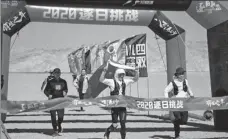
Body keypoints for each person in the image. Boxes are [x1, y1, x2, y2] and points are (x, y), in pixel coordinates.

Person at [100, 61, 139, 139]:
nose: (122, 76)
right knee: (114, 125)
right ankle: (108, 131)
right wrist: (104, 71)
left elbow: (135, 79)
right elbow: (101, 80)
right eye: (120, 75)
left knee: (123, 123)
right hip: (114, 106)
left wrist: (137, 72)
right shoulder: (111, 82)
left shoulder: (125, 82)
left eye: (123, 75)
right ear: (117, 75)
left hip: (122, 106)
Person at [164, 67, 194, 139]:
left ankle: (175, 122)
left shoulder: (185, 81)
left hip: (184, 103)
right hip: (175, 104)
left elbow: (188, 88)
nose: (182, 75)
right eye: (181, 74)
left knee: (184, 121)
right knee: (178, 117)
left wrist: (192, 95)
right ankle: (177, 135)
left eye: (183, 74)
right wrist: (167, 99)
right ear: (177, 75)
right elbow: (165, 91)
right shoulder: (173, 83)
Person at [44, 68, 68, 136]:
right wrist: (49, 95)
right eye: (56, 73)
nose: (57, 74)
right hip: (53, 101)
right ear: (54, 74)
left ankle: (59, 124)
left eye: (58, 73)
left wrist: (65, 92)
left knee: (61, 116)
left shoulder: (63, 81)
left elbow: (66, 89)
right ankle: (55, 131)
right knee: (53, 116)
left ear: (60, 73)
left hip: (61, 101)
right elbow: (45, 91)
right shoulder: (50, 82)